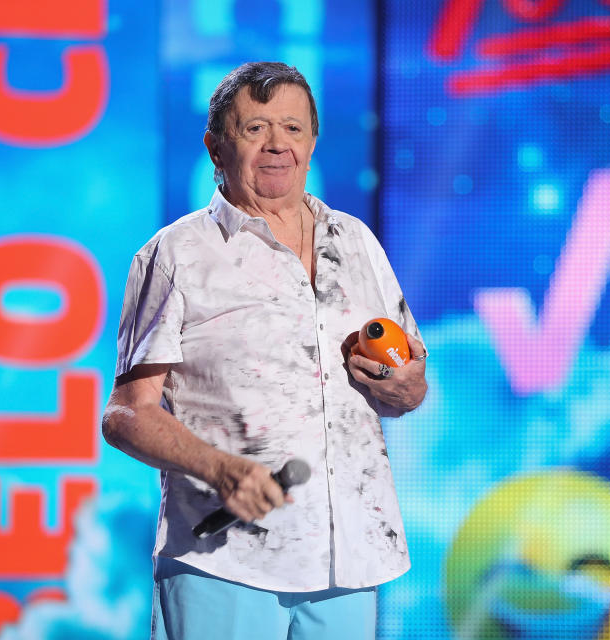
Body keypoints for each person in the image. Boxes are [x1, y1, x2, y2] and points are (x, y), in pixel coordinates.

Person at [101, 61, 427, 640]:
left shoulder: (355, 242)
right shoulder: (176, 255)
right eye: (255, 129)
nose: (278, 144)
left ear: (312, 141)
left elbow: (410, 379)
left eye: (293, 129)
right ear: (215, 147)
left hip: (350, 558)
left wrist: (404, 390)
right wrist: (219, 469)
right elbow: (126, 415)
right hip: (224, 561)